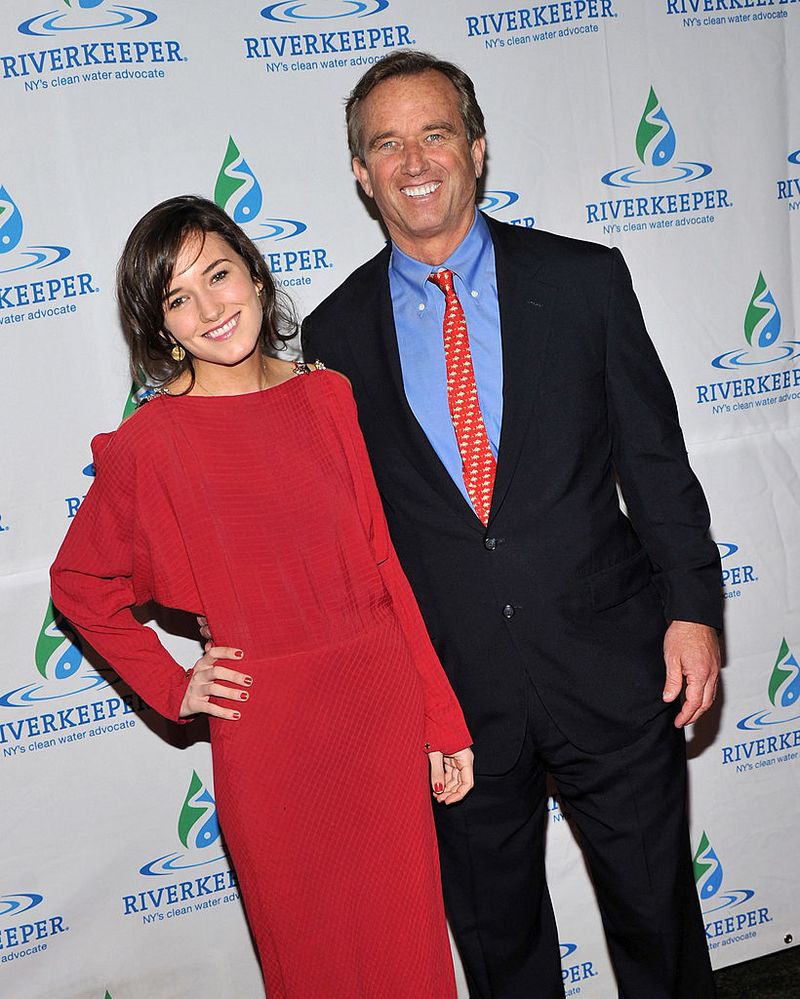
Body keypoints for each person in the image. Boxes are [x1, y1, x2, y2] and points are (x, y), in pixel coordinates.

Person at [301, 51, 723, 998]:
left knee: (658, 924)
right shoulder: (330, 340)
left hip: (613, 665)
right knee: (502, 947)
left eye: (435, 132)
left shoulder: (584, 283)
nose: (414, 160)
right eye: (386, 143)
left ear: (478, 149)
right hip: (451, 700)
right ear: (361, 174)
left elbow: (655, 460)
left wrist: (694, 608)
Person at [50, 195, 474, 998]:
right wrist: (176, 685)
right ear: (161, 324)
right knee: (310, 962)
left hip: (377, 706)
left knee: (408, 953)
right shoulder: (152, 441)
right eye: (179, 296)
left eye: (218, 274)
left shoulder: (327, 396)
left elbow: (385, 568)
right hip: (271, 732)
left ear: (253, 271)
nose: (211, 307)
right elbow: (78, 583)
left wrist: (440, 716)